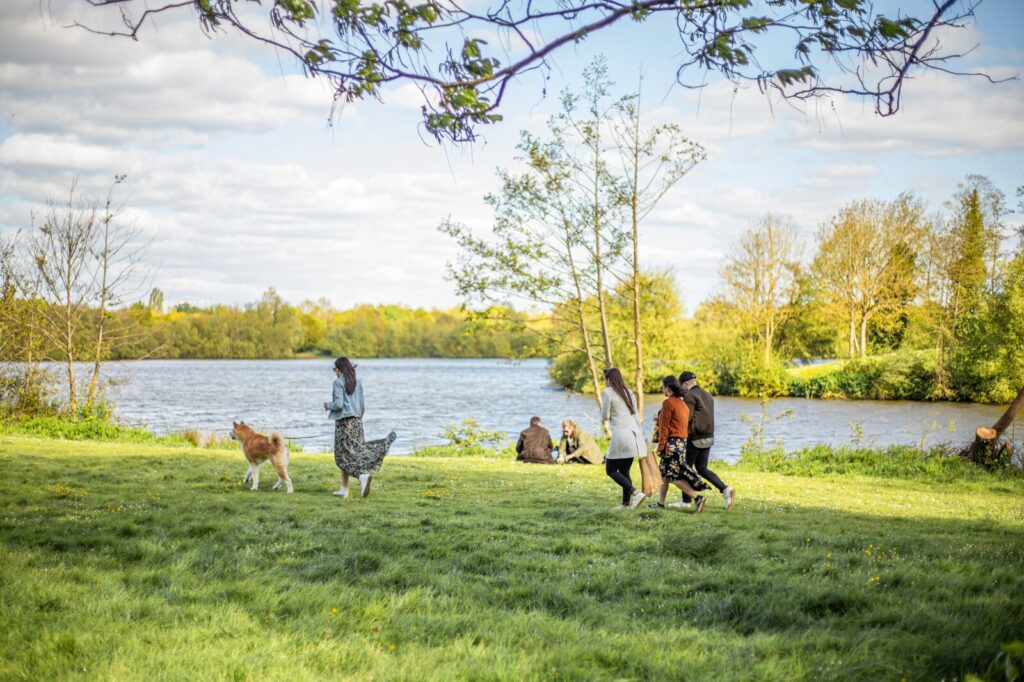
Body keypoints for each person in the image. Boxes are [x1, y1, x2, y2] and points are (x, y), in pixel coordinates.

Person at [323, 357, 396, 498]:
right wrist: (357, 419)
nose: (334, 372)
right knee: (354, 453)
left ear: (339, 369)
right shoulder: (358, 383)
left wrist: (328, 405)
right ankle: (344, 488)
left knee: (341, 457)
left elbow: (338, 405)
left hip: (344, 424)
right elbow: (362, 407)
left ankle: (361, 476)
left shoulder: (338, 383)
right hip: (357, 422)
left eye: (335, 369)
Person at [647, 375, 710, 511]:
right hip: (681, 444)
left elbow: (664, 428)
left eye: (663, 387)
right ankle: (660, 503)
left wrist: (660, 447)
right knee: (664, 474)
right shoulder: (682, 404)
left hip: (671, 445)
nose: (662, 389)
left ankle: (697, 498)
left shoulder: (668, 403)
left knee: (672, 475)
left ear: (668, 388)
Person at [679, 370, 735, 510]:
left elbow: (687, 418)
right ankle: (725, 489)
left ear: (686, 384)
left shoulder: (690, 396)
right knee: (702, 468)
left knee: (685, 469)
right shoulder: (708, 395)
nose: (682, 389)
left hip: (695, 438)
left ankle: (686, 501)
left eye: (682, 386)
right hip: (709, 438)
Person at [600, 367, 647, 510]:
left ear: (608, 379)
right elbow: (635, 415)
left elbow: (605, 417)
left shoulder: (607, 393)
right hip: (634, 434)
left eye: (605, 379)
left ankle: (635, 493)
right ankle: (625, 504)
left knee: (611, 470)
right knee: (625, 471)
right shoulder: (629, 392)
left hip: (621, 435)